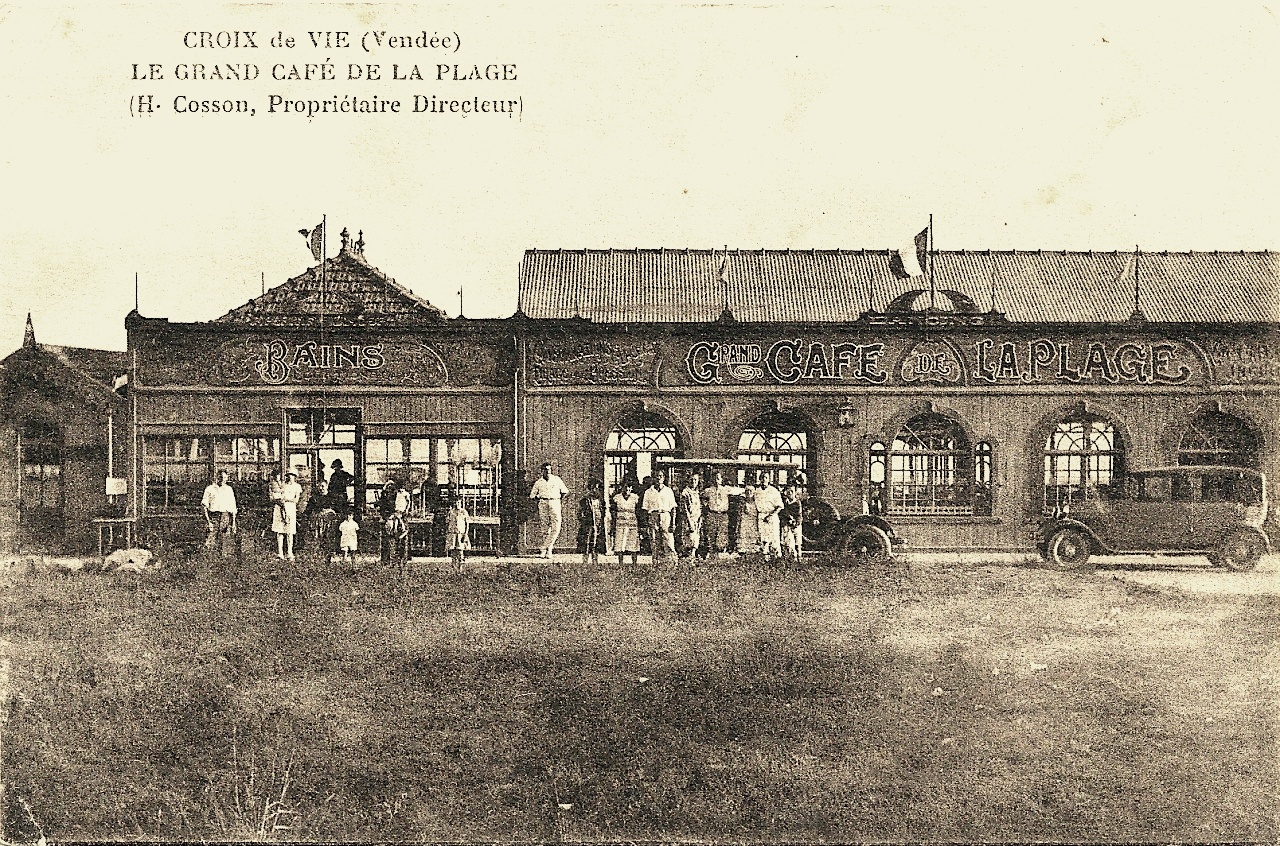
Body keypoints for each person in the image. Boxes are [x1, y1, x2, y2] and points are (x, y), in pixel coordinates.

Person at [529, 462, 569, 559]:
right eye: (545, 470)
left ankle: (543, 547)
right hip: (543, 503)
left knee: (556, 527)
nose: (547, 472)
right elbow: (532, 496)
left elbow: (565, 491)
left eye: (549, 470)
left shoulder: (556, 480)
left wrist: (558, 500)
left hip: (555, 502)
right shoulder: (538, 482)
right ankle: (548, 551)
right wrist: (539, 497)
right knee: (545, 528)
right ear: (542, 471)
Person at [642, 470, 678, 565]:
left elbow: (673, 507)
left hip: (665, 515)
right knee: (654, 541)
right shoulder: (648, 492)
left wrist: (673, 523)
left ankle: (672, 563)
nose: (658, 478)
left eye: (661, 476)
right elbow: (645, 510)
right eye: (656, 476)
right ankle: (656, 563)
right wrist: (647, 525)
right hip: (653, 516)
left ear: (664, 478)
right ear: (653, 478)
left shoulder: (668, 491)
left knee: (668, 540)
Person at [702, 471, 740, 558]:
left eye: (718, 478)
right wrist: (706, 504)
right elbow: (702, 497)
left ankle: (721, 552)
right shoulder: (708, 490)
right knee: (711, 533)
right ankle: (710, 552)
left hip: (723, 515)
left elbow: (739, 491)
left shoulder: (726, 489)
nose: (716, 480)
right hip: (712, 514)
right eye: (715, 478)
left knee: (722, 533)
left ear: (721, 480)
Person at [201, 469, 238, 557]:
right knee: (210, 540)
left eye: (225, 478)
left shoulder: (229, 489)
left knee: (225, 542)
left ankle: (223, 562)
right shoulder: (210, 489)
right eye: (221, 477)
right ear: (217, 477)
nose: (222, 480)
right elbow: (204, 506)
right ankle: (209, 561)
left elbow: (233, 507)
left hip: (225, 517)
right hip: (214, 516)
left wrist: (233, 523)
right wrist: (208, 521)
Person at [576, 479, 607, 569]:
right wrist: (584, 521)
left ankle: (595, 562)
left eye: (597, 488)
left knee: (596, 543)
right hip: (588, 524)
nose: (595, 490)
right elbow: (579, 513)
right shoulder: (585, 500)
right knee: (586, 543)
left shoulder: (600, 500)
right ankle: (585, 562)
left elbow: (603, 511)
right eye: (593, 488)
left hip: (598, 524)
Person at [611, 479, 641, 569]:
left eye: (630, 487)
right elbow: (613, 511)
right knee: (620, 543)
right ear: (622, 487)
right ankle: (621, 564)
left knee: (633, 543)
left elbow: (639, 512)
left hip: (632, 523)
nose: (627, 488)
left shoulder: (635, 498)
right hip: (620, 523)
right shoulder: (617, 498)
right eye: (626, 486)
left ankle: (634, 564)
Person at [274, 470, 303, 560]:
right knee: (280, 530)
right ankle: (280, 553)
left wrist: (286, 500)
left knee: (289, 531)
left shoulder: (297, 486)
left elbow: (296, 500)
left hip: (290, 508)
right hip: (280, 508)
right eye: (289, 475)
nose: (290, 477)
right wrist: (280, 501)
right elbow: (276, 495)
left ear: (295, 476)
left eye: (292, 475)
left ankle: (289, 553)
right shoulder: (283, 485)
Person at [754, 475, 785, 561]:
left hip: (772, 516)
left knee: (774, 537)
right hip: (761, 516)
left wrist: (770, 515)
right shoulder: (757, 491)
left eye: (766, 477)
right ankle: (765, 559)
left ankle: (777, 558)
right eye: (762, 477)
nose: (764, 479)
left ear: (769, 479)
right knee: (763, 537)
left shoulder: (773, 491)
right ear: (759, 479)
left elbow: (779, 506)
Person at [678, 472, 703, 562]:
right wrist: (689, 522)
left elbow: (700, 507)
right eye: (691, 479)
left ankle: (692, 558)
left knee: (696, 539)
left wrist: (700, 520)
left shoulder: (697, 492)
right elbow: (684, 509)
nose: (693, 481)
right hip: (689, 520)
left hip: (697, 519)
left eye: (695, 480)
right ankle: (688, 559)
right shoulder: (685, 492)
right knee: (689, 539)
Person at [780, 483, 804, 562]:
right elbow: (782, 513)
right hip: (787, 524)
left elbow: (799, 515)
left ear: (795, 492)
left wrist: (796, 523)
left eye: (792, 491)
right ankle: (792, 557)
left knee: (798, 541)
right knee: (789, 541)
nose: (790, 493)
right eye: (788, 491)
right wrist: (787, 521)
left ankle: (799, 556)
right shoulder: (784, 503)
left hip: (796, 524)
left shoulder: (797, 503)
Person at [445, 494, 470, 572]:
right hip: (452, 534)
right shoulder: (451, 512)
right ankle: (454, 568)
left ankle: (460, 568)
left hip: (460, 534)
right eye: (456, 503)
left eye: (459, 503)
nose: (457, 504)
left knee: (460, 551)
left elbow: (467, 524)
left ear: (461, 503)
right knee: (453, 551)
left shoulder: (464, 512)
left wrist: (465, 534)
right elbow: (447, 522)